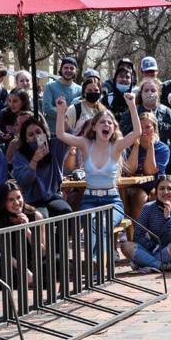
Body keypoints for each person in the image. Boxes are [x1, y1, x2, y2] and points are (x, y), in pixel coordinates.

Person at [55, 91, 141, 255]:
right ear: (94, 126)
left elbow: (137, 133)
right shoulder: (86, 144)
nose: (106, 125)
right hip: (89, 200)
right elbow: (61, 135)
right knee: (93, 223)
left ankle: (95, 261)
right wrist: (60, 112)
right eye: (102, 122)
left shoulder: (116, 146)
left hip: (112, 200)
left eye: (110, 123)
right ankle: (100, 264)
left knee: (101, 224)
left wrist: (132, 106)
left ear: (113, 128)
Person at [121, 175, 171, 272]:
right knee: (125, 246)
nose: (166, 192)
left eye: (170, 189)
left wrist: (168, 218)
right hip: (154, 249)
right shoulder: (148, 208)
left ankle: (145, 262)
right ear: (156, 192)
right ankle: (163, 266)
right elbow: (137, 236)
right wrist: (154, 247)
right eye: (162, 188)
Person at [12, 117, 73, 218]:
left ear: (44, 133)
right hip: (32, 199)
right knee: (42, 216)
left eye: (38, 132)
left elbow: (69, 136)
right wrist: (34, 161)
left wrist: (61, 114)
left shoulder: (53, 145)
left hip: (52, 195)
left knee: (65, 211)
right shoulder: (20, 155)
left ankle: (64, 234)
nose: (36, 137)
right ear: (26, 139)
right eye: (31, 135)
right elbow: (24, 182)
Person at [0, 180, 46, 286]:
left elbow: (42, 252)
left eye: (18, 197)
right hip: (14, 264)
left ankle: (29, 280)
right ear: (3, 203)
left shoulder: (36, 216)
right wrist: (25, 272)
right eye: (11, 200)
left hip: (35, 262)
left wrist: (27, 229)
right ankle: (29, 280)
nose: (17, 203)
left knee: (57, 262)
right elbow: (3, 253)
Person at [124, 112, 170, 222]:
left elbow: (150, 171)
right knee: (139, 196)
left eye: (148, 127)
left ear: (154, 128)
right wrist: (136, 145)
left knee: (156, 195)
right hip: (136, 186)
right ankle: (140, 233)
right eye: (140, 127)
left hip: (156, 184)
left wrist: (150, 147)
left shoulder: (163, 148)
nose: (144, 131)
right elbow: (129, 170)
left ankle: (158, 231)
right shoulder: (129, 147)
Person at [120, 77, 171, 146]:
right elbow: (123, 131)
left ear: (158, 93)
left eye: (153, 90)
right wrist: (139, 124)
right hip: (136, 152)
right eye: (146, 90)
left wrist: (153, 123)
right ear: (141, 94)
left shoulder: (166, 111)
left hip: (159, 152)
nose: (149, 93)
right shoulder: (132, 110)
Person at [43, 57, 82, 134]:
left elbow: (80, 110)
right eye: (66, 68)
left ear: (75, 71)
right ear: (61, 69)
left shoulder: (79, 89)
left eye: (71, 68)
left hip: (72, 134)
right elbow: (47, 107)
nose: (68, 70)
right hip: (53, 132)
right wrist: (67, 115)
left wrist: (63, 111)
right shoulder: (50, 86)